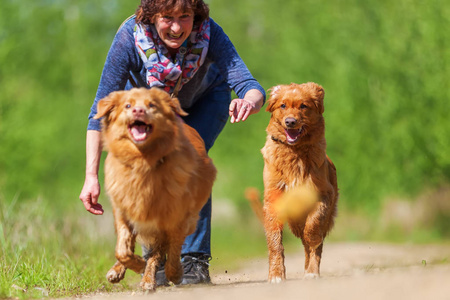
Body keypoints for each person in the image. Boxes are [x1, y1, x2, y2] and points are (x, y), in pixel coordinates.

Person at [79, 0, 265, 285]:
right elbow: (98, 114)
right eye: (167, 17)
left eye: (185, 17)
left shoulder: (210, 33)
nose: (176, 27)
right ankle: (157, 256)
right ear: (152, 16)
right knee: (145, 170)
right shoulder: (130, 37)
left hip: (204, 101)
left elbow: (250, 85)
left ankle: (194, 260)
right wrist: (91, 176)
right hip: (147, 109)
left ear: (196, 15)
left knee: (190, 164)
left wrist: (247, 102)